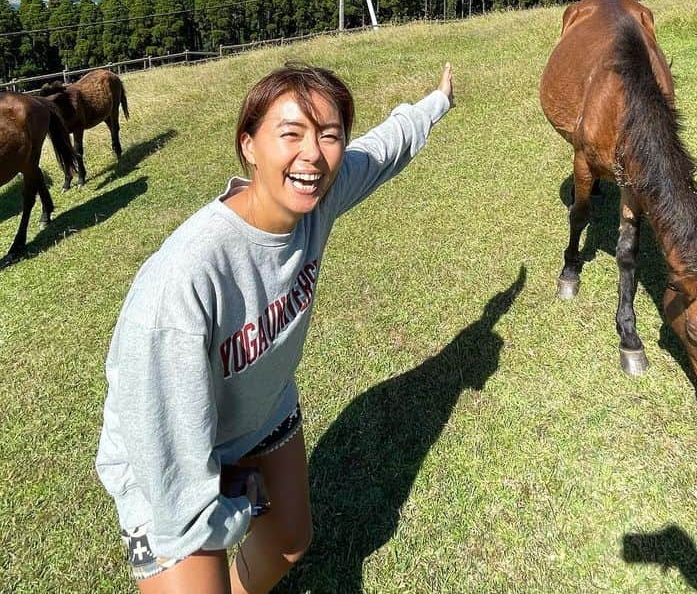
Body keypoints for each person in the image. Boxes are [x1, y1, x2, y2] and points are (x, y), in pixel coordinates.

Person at [96, 60, 454, 592]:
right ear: (249, 145)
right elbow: (163, 429)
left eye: (329, 135)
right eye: (292, 134)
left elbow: (383, 148)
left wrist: (437, 101)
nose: (312, 153)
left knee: (289, 541)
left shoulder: (318, 200)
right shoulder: (187, 278)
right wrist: (219, 513)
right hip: (168, 458)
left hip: (263, 414)